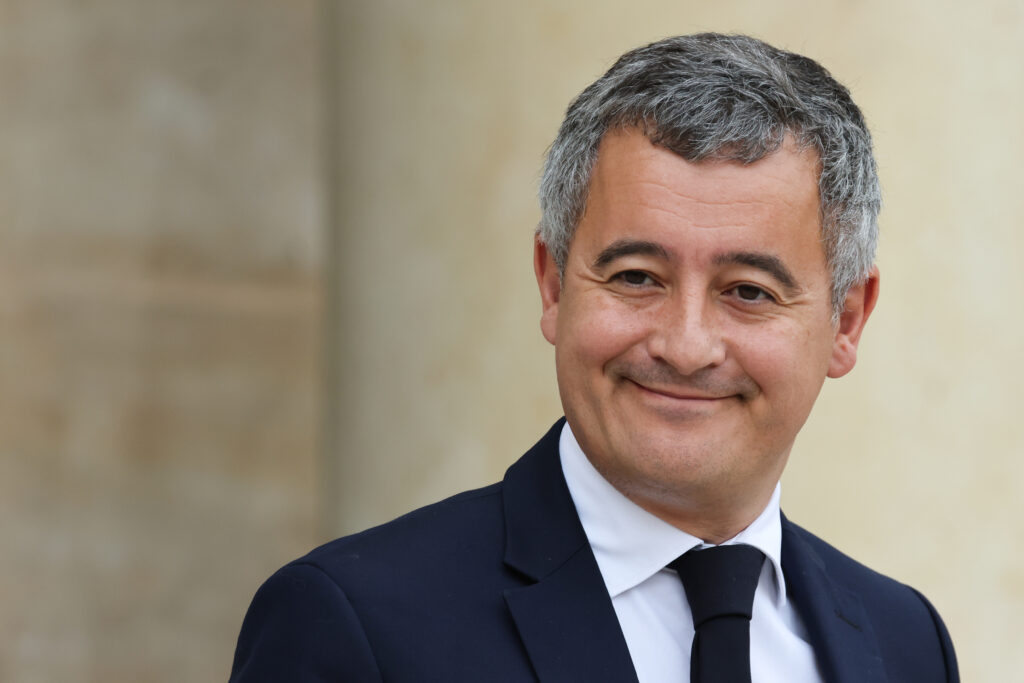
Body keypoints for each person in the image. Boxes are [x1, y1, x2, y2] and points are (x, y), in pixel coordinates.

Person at [229, 33, 958, 682]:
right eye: (637, 277)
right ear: (553, 285)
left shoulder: (906, 643)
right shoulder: (357, 624)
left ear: (846, 322)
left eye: (748, 291)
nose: (685, 345)